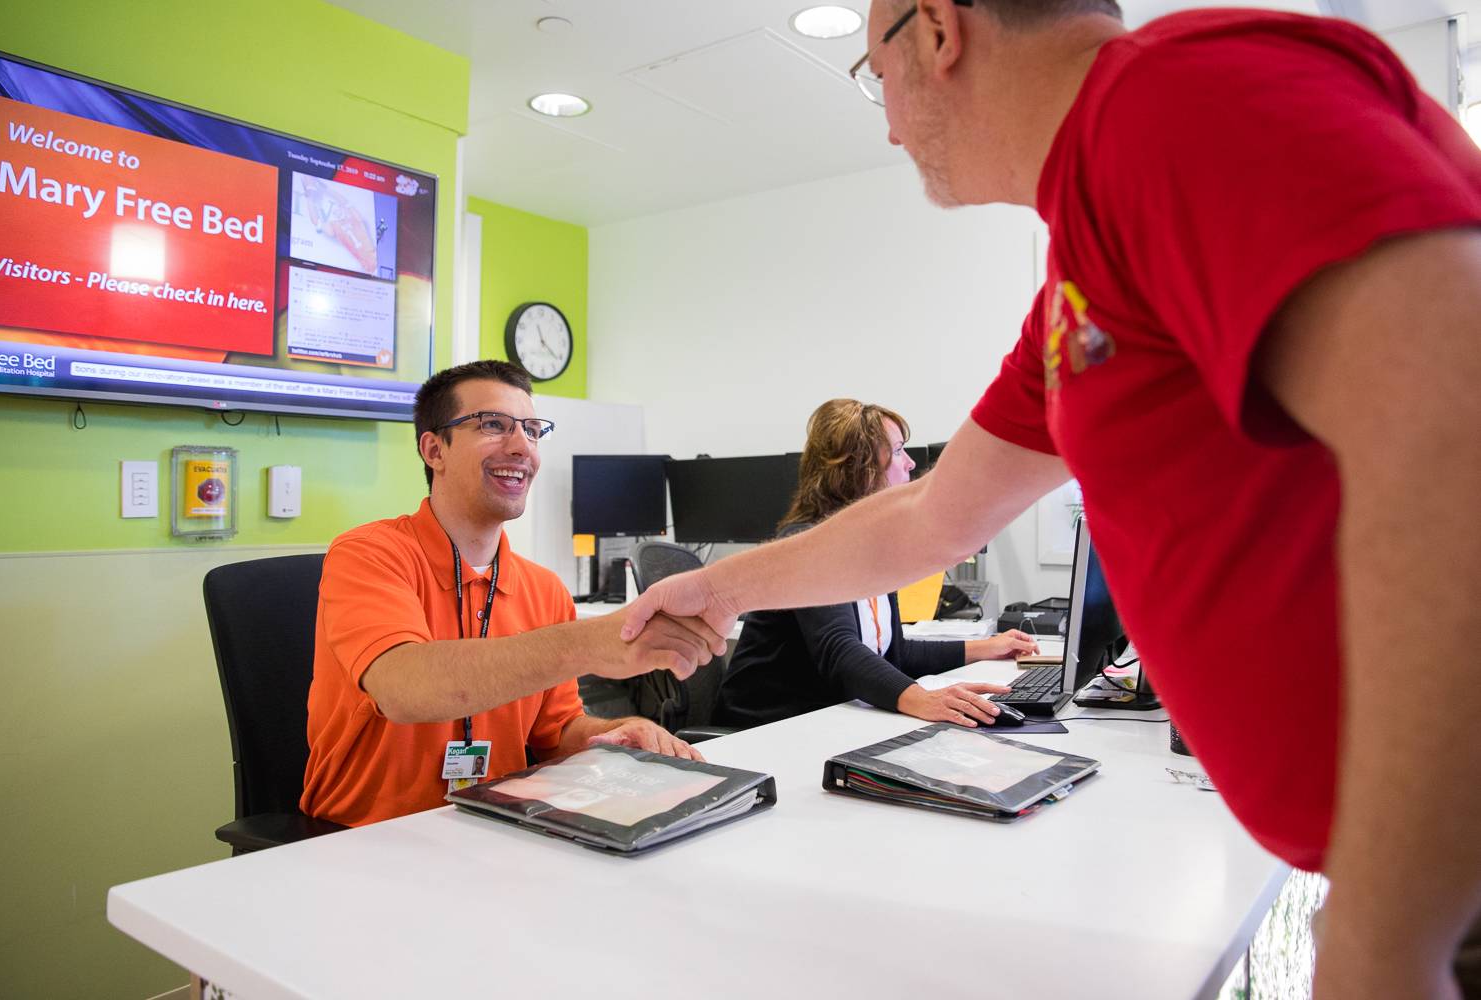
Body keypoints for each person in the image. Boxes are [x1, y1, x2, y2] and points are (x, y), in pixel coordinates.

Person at [620, 3, 1481, 996]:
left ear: (938, 31)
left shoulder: (1175, 101)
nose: (889, 124)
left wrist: (1388, 930)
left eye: (874, 73)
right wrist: (725, 587)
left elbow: (1454, 437)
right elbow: (933, 515)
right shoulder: (1085, 269)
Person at [302, 360, 724, 827]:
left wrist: (614, 732)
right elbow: (404, 690)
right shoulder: (368, 555)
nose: (522, 445)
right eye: (493, 425)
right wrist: (590, 642)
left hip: (493, 829)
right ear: (433, 449)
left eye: (532, 430)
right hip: (363, 841)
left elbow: (556, 732)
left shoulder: (543, 589)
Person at [716, 398, 1037, 728]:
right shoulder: (811, 543)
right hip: (764, 730)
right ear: (858, 468)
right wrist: (922, 699)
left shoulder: (871, 545)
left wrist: (987, 648)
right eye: (898, 451)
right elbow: (840, 650)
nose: (910, 463)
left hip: (826, 717)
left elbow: (893, 652)